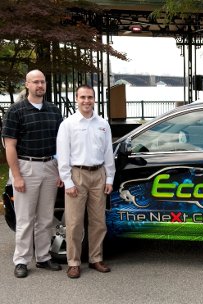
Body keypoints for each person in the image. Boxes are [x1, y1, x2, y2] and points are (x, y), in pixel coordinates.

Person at [1, 69, 63, 278]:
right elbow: (9, 146)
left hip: (49, 166)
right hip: (26, 167)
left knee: (45, 218)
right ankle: (21, 260)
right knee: (25, 219)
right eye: (35, 82)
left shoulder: (54, 111)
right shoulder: (16, 111)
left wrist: (60, 171)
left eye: (42, 82)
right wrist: (16, 176)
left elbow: (61, 144)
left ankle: (44, 257)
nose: (40, 85)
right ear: (27, 84)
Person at [56, 84, 116, 279]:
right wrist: (68, 181)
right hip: (77, 175)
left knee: (98, 222)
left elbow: (108, 153)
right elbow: (63, 156)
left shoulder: (102, 124)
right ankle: (73, 263)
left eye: (90, 97)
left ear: (94, 99)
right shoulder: (68, 124)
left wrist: (109, 177)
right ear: (76, 99)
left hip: (98, 174)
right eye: (83, 97)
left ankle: (95, 258)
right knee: (74, 223)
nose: (86, 101)